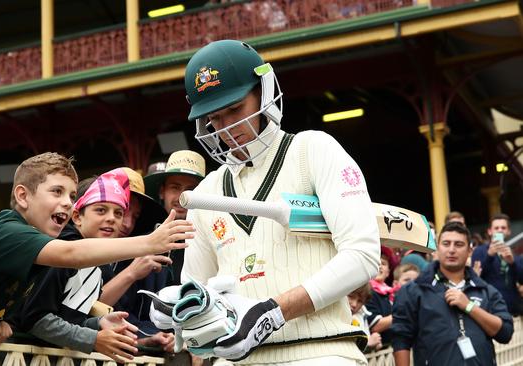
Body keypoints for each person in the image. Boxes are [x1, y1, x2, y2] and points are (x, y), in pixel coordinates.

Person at [179, 40, 380, 364]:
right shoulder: (207, 191)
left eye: (235, 108)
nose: (228, 127)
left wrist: (274, 311)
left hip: (322, 350)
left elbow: (363, 254)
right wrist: (183, 314)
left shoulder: (313, 150)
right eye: (215, 117)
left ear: (265, 90)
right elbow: (195, 287)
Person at [0, 153, 194, 352]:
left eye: (71, 195)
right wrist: (150, 242)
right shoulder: (8, 231)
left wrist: (1, 320)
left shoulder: (45, 247)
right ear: (23, 196)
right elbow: (69, 255)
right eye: (56, 192)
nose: (67, 202)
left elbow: (41, 312)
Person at [13, 168, 141, 361]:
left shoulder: (100, 265)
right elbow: (34, 318)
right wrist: (94, 338)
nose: (111, 218)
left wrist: (98, 323)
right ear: (77, 217)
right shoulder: (60, 252)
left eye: (118, 213)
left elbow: (67, 318)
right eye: (100, 210)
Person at [392, 222, 513, 366]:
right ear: (437, 249)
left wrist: (469, 307)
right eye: (446, 243)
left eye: (459, 244)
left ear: (469, 251)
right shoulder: (414, 290)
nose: (451, 250)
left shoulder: (485, 290)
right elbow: (401, 339)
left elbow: (505, 333)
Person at [98, 167, 176, 354]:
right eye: (121, 211)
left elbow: (129, 316)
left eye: (135, 216)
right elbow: (83, 308)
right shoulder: (66, 242)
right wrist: (132, 273)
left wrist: (153, 336)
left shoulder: (139, 257)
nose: (127, 223)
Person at [144, 150, 206, 286]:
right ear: (162, 192)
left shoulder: (213, 238)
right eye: (175, 188)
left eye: (190, 190)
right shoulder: (143, 242)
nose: (182, 198)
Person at [471, 213, 523, 315]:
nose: (500, 230)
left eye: (503, 228)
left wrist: (512, 263)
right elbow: (475, 278)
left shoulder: (515, 253)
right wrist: (489, 255)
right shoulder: (479, 251)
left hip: (513, 311)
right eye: (496, 228)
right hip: (489, 311)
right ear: (490, 231)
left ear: (508, 231)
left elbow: (521, 279)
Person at [347, 284, 382, 352]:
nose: (354, 304)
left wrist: (374, 342)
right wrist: (367, 344)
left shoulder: (362, 314)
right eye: (351, 296)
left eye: (360, 301)